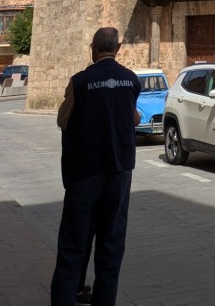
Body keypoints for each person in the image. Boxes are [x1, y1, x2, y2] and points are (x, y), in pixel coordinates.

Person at [50, 27, 141, 306]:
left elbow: (62, 120)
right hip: (119, 171)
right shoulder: (131, 81)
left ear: (93, 48)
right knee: (111, 243)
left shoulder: (80, 81)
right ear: (119, 48)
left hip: (85, 173)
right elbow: (134, 118)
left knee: (73, 244)